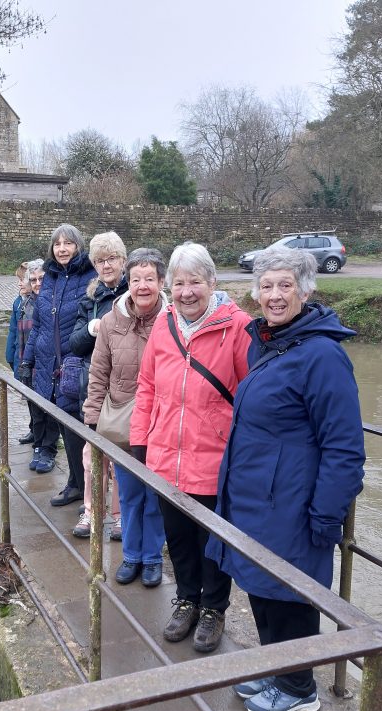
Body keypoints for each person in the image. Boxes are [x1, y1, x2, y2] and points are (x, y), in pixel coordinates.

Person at [205, 246, 365, 711]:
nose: (274, 295)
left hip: (293, 504)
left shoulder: (322, 355)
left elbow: (344, 448)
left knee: (291, 592)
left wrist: (325, 516)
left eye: (285, 285)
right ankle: (278, 669)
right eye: (266, 286)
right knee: (261, 586)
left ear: (306, 291)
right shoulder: (269, 343)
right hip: (256, 497)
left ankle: (299, 687)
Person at [129, 241, 251, 653]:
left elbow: (251, 396)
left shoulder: (237, 328)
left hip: (214, 457)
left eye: (195, 282)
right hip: (166, 454)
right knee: (178, 536)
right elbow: (147, 385)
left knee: (212, 541)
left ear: (212, 282)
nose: (186, 292)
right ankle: (186, 600)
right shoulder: (164, 324)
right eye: (179, 283)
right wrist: (140, 440)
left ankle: (213, 608)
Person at [83, 248, 168, 586]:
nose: (142, 286)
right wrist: (92, 420)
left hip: (160, 423)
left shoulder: (173, 321)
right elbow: (98, 372)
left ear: (161, 282)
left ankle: (152, 557)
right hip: (122, 420)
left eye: (149, 279)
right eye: (136, 279)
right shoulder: (110, 322)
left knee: (155, 496)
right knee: (129, 493)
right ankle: (131, 555)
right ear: (127, 283)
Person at [18, 225, 96, 479]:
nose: (62, 249)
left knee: (76, 430)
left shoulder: (90, 276)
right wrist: (27, 361)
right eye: (57, 244)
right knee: (52, 418)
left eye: (68, 243)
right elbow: (38, 326)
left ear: (78, 246)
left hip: (73, 364)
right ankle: (69, 478)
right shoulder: (49, 277)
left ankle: (81, 484)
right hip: (45, 362)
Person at [67, 232, 129, 528]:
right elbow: (75, 344)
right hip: (95, 386)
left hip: (126, 389)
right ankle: (92, 511)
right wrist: (92, 329)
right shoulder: (90, 299)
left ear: (123, 260)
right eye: (100, 260)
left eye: (112, 258)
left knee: (121, 455)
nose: (106, 265)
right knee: (91, 454)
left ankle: (120, 515)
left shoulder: (134, 294)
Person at [12, 260, 44, 448]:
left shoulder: (45, 303)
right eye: (33, 280)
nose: (37, 283)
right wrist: (20, 361)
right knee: (32, 403)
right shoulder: (24, 304)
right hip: (27, 361)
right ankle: (36, 437)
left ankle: (43, 445)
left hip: (42, 363)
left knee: (43, 408)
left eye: (41, 279)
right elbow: (20, 337)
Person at [6, 262, 34, 445]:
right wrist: (10, 355)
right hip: (19, 354)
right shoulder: (18, 302)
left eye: (22, 279)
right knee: (28, 395)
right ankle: (33, 428)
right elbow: (13, 331)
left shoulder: (35, 303)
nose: (19, 283)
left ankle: (43, 433)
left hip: (30, 357)